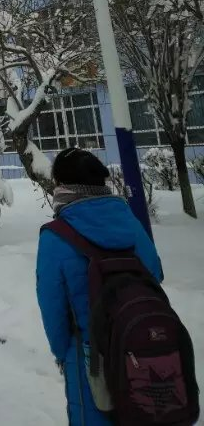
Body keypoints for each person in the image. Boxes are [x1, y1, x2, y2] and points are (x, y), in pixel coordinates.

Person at [36, 148, 163, 425]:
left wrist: (63, 355)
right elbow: (156, 274)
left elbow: (53, 308)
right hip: (144, 342)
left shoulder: (55, 236)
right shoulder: (129, 221)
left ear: (62, 185)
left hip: (90, 358)